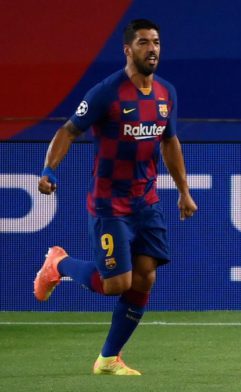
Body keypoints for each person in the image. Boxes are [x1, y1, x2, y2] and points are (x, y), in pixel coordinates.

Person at [33, 19, 197, 376]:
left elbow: (169, 142)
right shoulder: (107, 92)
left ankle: (108, 358)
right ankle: (57, 264)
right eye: (143, 43)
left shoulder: (165, 93)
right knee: (116, 285)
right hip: (110, 204)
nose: (151, 49)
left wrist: (183, 191)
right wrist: (49, 170)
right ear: (127, 50)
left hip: (147, 201)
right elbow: (67, 130)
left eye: (155, 42)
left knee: (145, 277)